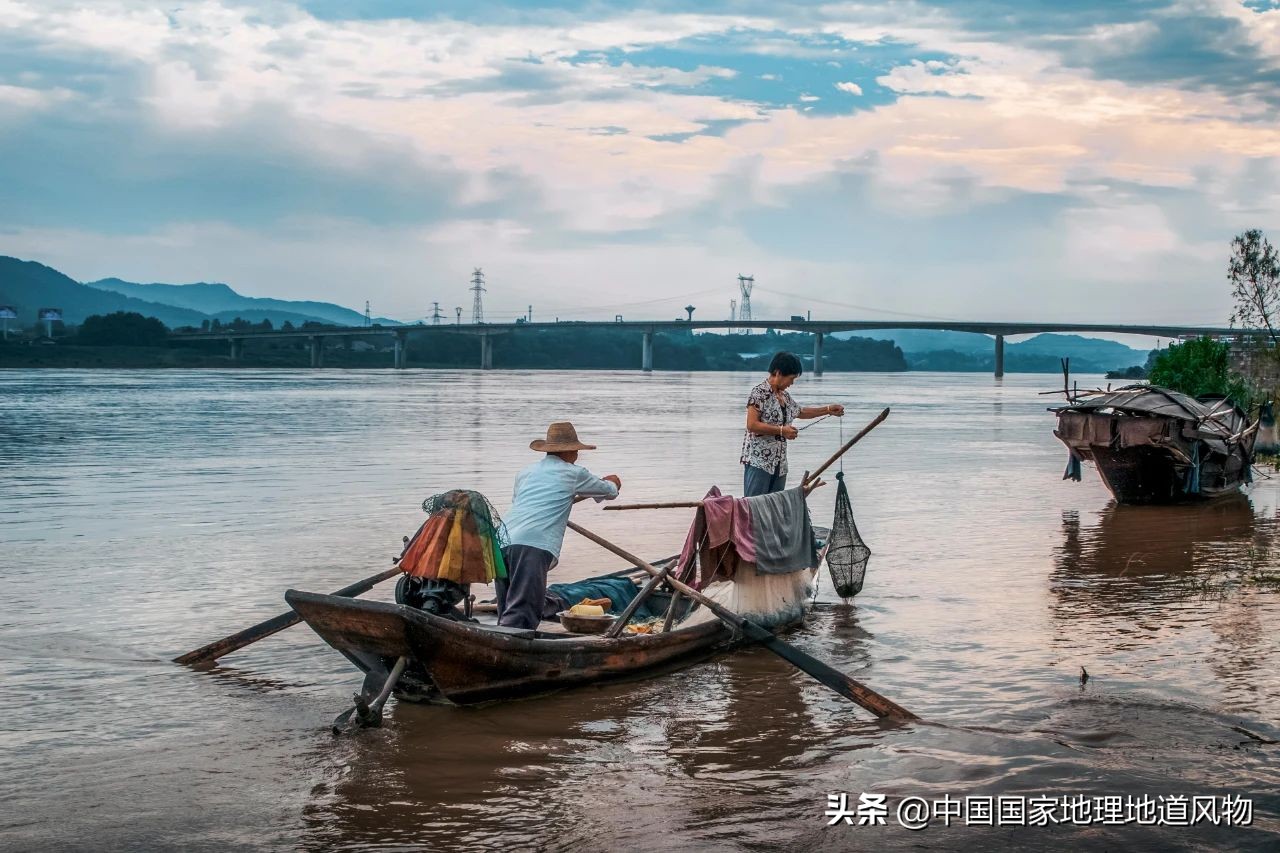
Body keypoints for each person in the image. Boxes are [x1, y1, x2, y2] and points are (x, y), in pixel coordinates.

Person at [497, 421, 622, 629]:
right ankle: (510, 651)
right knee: (523, 611)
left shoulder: (525, 473)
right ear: (570, 451)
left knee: (507, 605)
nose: (577, 455)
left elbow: (520, 502)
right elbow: (608, 491)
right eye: (576, 451)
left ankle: (501, 640)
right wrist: (614, 481)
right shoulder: (573, 473)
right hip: (532, 544)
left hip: (502, 539)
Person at [740, 351, 844, 497]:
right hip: (759, 462)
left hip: (780, 464)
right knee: (754, 506)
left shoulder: (785, 396)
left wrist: (827, 410)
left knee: (776, 507)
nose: (792, 383)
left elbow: (800, 412)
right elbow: (752, 425)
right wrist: (782, 430)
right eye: (791, 378)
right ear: (778, 373)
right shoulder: (759, 393)